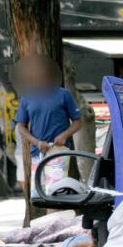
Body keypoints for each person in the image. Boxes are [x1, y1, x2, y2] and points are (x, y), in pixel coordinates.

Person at [14, 55, 83, 194]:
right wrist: (36, 142)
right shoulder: (27, 97)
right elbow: (21, 126)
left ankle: (56, 215)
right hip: (37, 153)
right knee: (38, 195)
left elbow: (78, 122)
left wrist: (64, 135)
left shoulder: (63, 95)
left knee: (55, 194)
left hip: (58, 151)